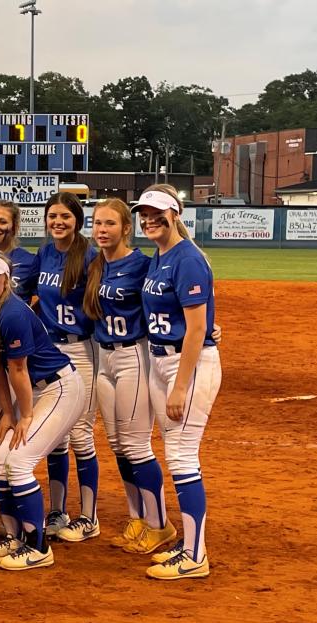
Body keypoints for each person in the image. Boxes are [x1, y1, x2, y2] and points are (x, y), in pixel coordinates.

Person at [0, 252, 85, 570]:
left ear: (6, 281)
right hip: (33, 392)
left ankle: (38, 546)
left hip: (58, 389)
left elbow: (18, 369)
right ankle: (15, 536)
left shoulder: (12, 313)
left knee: (18, 463)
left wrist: (26, 416)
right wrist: (7, 413)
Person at [135, 185, 222, 580]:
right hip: (161, 362)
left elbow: (197, 328)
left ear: (175, 215)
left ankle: (195, 555)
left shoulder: (187, 258)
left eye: (158, 214)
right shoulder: (162, 255)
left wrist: (181, 386)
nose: (150, 220)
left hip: (186, 367)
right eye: (144, 214)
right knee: (175, 454)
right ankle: (187, 546)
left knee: (184, 458)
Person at [76, 199, 168, 549]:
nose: (101, 230)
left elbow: (166, 302)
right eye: (98, 223)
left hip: (133, 355)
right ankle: (137, 517)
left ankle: (159, 523)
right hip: (103, 356)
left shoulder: (143, 264)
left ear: (125, 228)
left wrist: (209, 328)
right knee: (117, 445)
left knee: (136, 445)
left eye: (110, 224)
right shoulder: (95, 265)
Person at [35, 192, 100, 541]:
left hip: (81, 352)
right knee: (54, 436)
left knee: (80, 435)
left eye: (66, 216)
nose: (58, 222)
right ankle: (58, 511)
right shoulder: (44, 253)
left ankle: (89, 517)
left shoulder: (90, 257)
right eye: (53, 216)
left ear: (78, 220)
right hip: (49, 352)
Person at [0, 199, 39, 303]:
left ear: (14, 227)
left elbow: (44, 299)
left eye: (2, 222)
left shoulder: (30, 262)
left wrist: (27, 316)